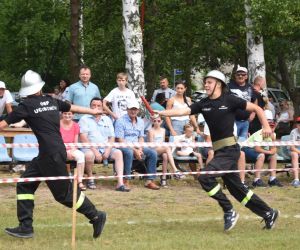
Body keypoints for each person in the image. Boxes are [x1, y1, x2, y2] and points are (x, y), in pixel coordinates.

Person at [156, 70, 279, 231]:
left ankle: (228, 210)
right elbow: (182, 111)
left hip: (230, 149)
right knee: (239, 191)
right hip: (220, 151)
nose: (206, 85)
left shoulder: (230, 99)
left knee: (205, 177)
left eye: (209, 82)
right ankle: (268, 213)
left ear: (219, 84)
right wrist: (161, 112)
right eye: (205, 82)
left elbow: (257, 108)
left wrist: (265, 126)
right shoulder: (204, 103)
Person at [0, 70, 106, 239]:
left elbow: (3, 125)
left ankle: (95, 215)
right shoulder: (51, 100)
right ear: (40, 87)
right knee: (25, 184)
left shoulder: (26, 106)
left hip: (51, 155)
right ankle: (25, 227)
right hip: (49, 153)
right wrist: (93, 112)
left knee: (63, 195)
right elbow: (72, 107)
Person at [79, 97, 129, 192]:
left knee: (118, 153)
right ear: (90, 107)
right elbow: (83, 138)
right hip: (89, 148)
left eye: (99, 106)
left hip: (105, 147)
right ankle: (90, 178)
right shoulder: (84, 119)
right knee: (89, 155)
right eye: (94, 105)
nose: (96, 107)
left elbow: (112, 137)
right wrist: (96, 152)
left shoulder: (107, 119)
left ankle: (120, 183)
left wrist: (108, 151)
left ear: (102, 108)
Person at [114, 100, 160, 190]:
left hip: (137, 146)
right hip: (124, 146)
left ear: (138, 110)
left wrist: (140, 148)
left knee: (152, 153)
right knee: (129, 152)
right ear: (127, 109)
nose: (133, 111)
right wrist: (135, 150)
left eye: (135, 109)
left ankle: (150, 181)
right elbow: (120, 139)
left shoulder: (140, 121)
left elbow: (141, 137)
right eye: (131, 109)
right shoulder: (120, 121)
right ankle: (125, 180)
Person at [242, 110, 283, 188]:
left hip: (257, 150)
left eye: (273, 126)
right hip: (246, 149)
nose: (271, 128)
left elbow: (273, 149)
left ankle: (272, 179)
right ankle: (256, 180)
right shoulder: (260, 133)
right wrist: (270, 152)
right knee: (261, 155)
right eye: (270, 126)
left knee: (274, 155)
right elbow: (257, 149)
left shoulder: (273, 134)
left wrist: (273, 142)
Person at [147, 115, 182, 187]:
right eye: (155, 121)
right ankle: (175, 169)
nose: (157, 122)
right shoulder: (151, 131)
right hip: (153, 150)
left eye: (158, 121)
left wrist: (162, 147)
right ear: (152, 122)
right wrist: (162, 147)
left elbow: (162, 141)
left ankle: (163, 179)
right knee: (167, 148)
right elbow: (151, 144)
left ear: (161, 122)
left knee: (165, 156)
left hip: (161, 149)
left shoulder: (163, 130)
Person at [228, 65, 257, 141]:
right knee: (233, 142)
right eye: (238, 74)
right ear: (235, 76)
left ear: (246, 76)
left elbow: (255, 100)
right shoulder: (228, 86)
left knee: (243, 142)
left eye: (243, 74)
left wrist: (253, 113)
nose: (240, 76)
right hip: (232, 121)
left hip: (245, 121)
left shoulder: (250, 87)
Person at [60, 111, 86, 191]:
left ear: (73, 115)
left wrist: (72, 151)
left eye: (69, 114)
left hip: (72, 148)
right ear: (61, 114)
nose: (67, 115)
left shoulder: (76, 125)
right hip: (59, 148)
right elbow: (56, 140)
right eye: (65, 113)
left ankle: (79, 182)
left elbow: (75, 141)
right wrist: (65, 151)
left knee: (81, 155)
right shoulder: (57, 124)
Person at [289, 116, 300, 187]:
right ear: (296, 125)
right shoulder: (293, 132)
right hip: (295, 151)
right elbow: (292, 147)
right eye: (299, 123)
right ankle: (296, 180)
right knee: (294, 154)